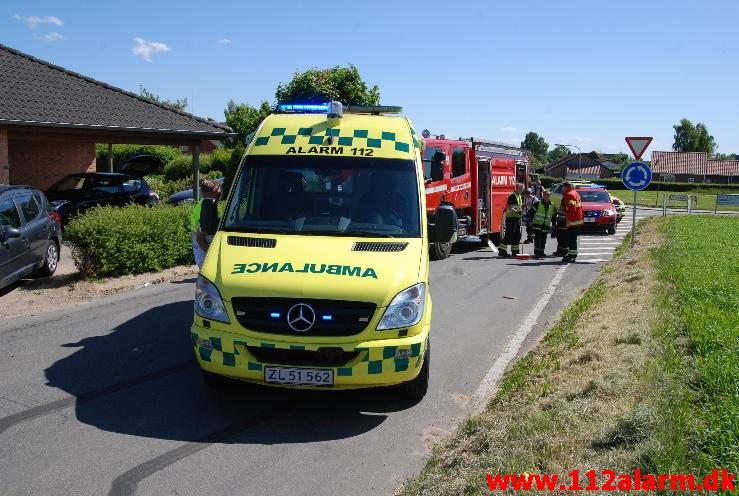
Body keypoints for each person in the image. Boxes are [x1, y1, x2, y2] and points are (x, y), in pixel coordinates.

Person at [191, 179, 222, 268]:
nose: (220, 194)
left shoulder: (204, 205)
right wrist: (211, 256)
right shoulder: (206, 208)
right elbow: (200, 238)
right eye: (218, 192)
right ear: (210, 193)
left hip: (202, 254)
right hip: (205, 256)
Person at [498, 183, 525, 258]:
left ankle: (515, 251)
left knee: (517, 236)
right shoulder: (512, 195)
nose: (521, 190)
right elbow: (508, 206)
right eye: (521, 188)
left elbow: (518, 207)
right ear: (517, 188)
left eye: (522, 189)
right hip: (511, 218)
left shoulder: (519, 196)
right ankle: (502, 250)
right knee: (509, 235)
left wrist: (522, 209)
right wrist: (516, 211)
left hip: (517, 218)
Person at [528, 190, 556, 258]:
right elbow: (531, 212)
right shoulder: (538, 203)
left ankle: (541, 252)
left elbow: (554, 216)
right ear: (543, 195)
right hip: (538, 224)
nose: (547, 196)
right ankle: (537, 252)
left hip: (546, 225)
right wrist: (530, 221)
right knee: (537, 238)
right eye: (546, 195)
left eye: (549, 195)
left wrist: (554, 225)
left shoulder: (552, 205)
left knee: (543, 239)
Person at [561, 182, 584, 262]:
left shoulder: (569, 195)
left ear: (566, 187)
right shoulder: (575, 193)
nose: (562, 189)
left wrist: (564, 211)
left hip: (572, 221)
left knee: (571, 239)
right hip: (577, 219)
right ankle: (572, 254)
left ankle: (572, 255)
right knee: (572, 239)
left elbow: (571, 209)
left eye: (563, 187)